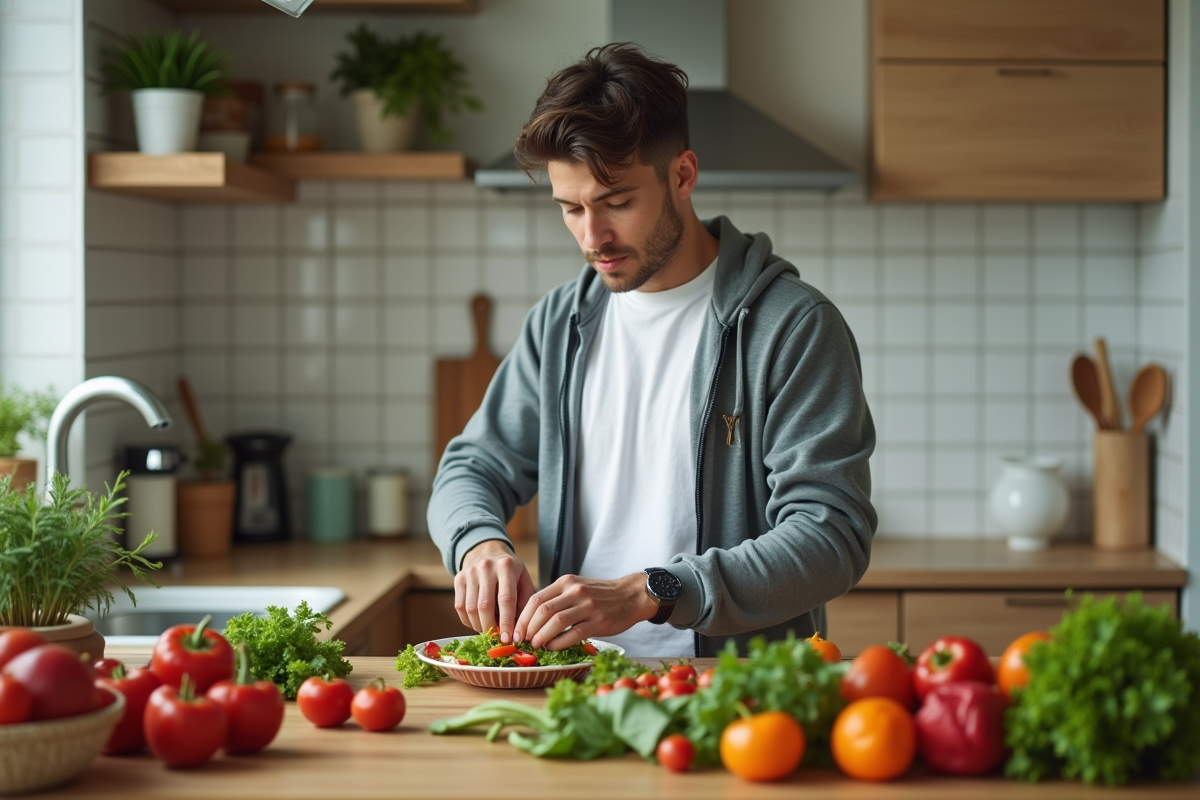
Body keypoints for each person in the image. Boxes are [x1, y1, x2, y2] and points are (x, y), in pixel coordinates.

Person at [427, 42, 876, 658]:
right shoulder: (560, 323)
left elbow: (832, 537)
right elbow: (471, 468)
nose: (593, 237)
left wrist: (651, 591)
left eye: (617, 203)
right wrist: (479, 543)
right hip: (574, 683)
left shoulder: (792, 327)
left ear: (683, 175)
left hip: (733, 697)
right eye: (571, 209)